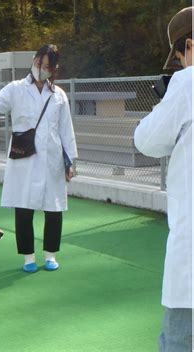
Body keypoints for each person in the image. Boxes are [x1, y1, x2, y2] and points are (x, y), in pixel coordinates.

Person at [0, 44, 77, 273]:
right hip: (24, 157)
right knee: (24, 209)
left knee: (54, 210)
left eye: (46, 67)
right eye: (38, 64)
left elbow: (66, 130)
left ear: (54, 69)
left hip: (52, 158)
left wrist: (70, 160)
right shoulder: (16, 89)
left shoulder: (59, 95)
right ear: (33, 60)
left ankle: (51, 255)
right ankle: (28, 258)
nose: (41, 70)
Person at [134, 7, 192, 352]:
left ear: (190, 46)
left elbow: (147, 141)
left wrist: (162, 104)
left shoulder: (187, 83)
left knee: (180, 340)